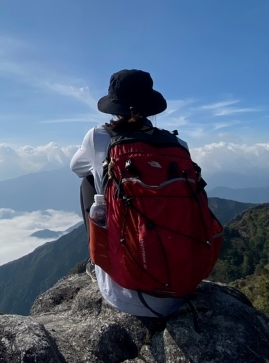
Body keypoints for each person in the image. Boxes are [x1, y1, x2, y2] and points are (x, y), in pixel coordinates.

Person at [70, 69, 187, 320]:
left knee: (88, 180)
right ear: (151, 107)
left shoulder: (99, 137)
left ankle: (96, 259)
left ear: (115, 106)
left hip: (123, 293)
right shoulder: (178, 146)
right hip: (180, 286)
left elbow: (76, 168)